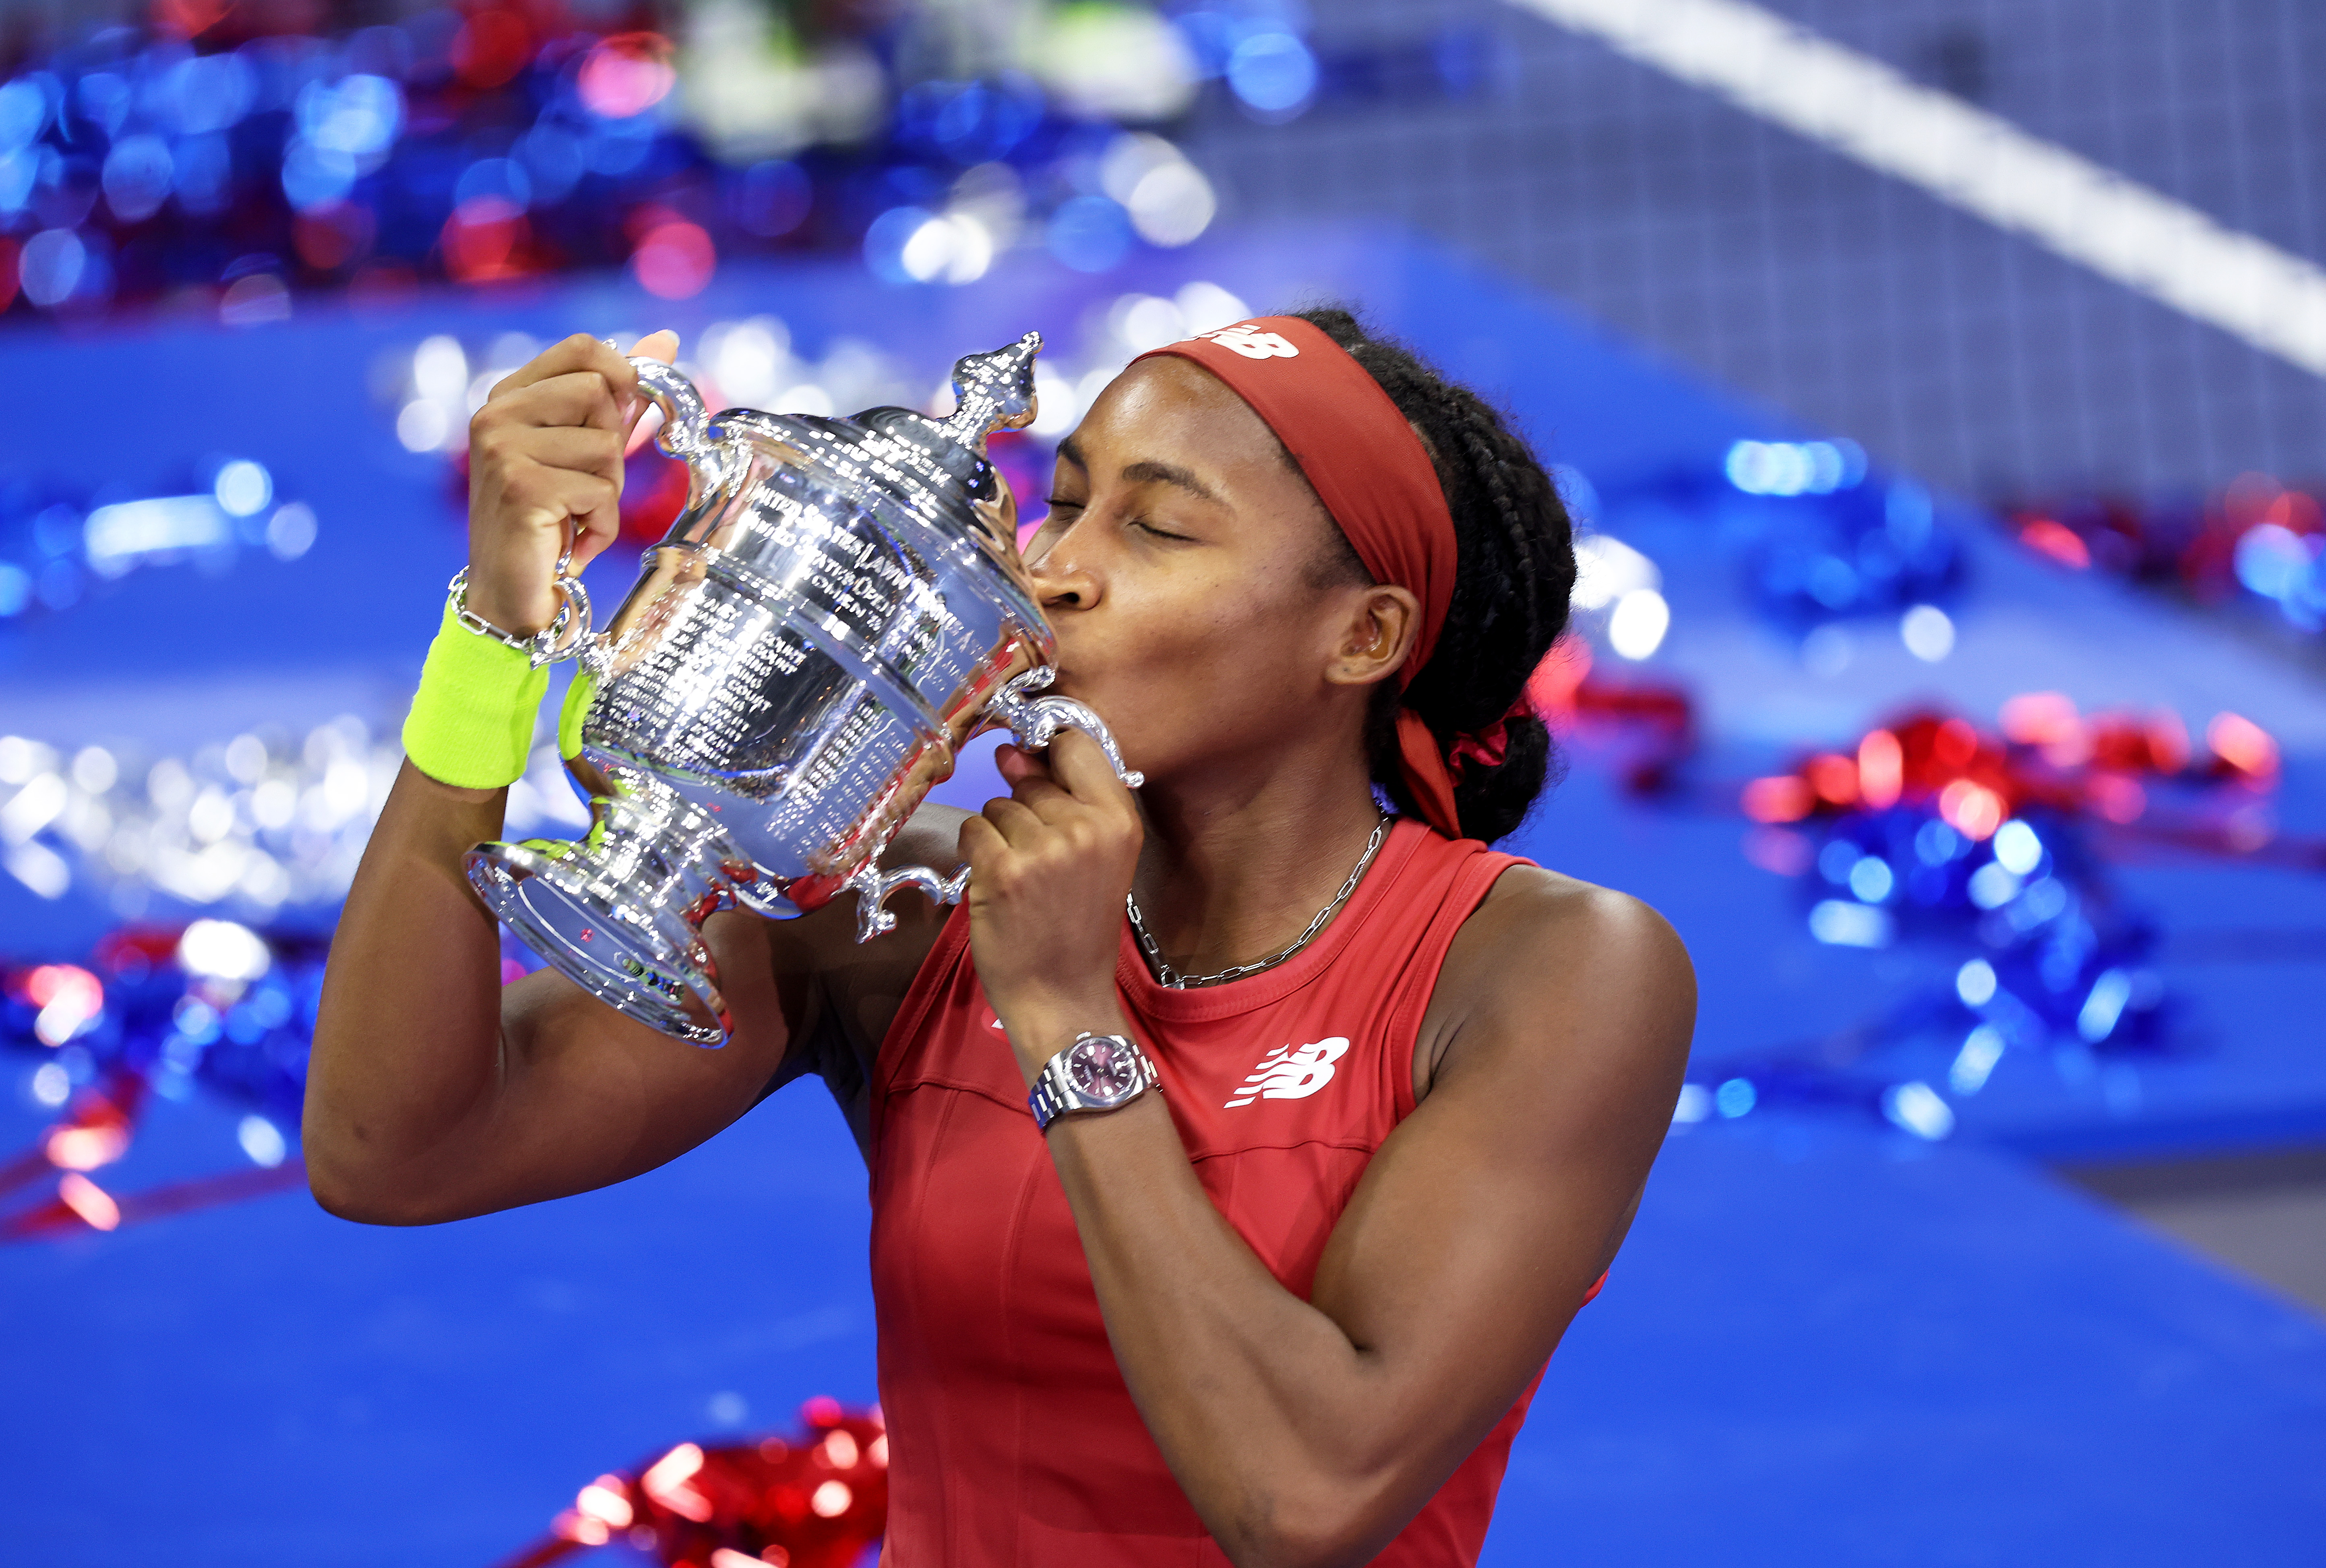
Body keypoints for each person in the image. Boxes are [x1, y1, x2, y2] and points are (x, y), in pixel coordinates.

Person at [306, 307, 1696, 1568]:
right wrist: (497, 635)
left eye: (1156, 529)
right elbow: (396, 1149)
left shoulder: (1553, 971)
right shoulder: (891, 916)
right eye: (1065, 507)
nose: (1054, 577)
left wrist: (1066, 1017)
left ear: (1361, 636)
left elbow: (1303, 1497)